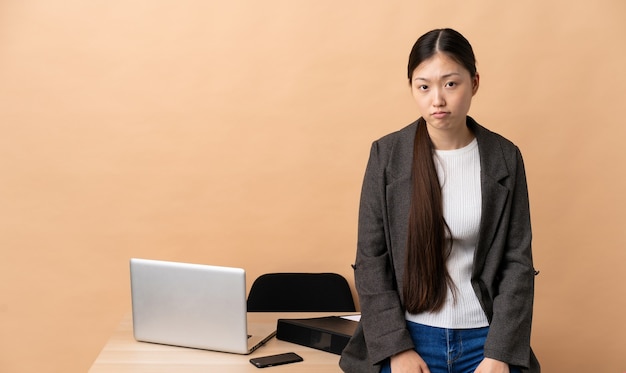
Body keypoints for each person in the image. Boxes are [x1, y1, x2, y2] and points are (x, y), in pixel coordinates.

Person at [339, 28, 540, 373]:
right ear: (412, 88)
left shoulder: (505, 157)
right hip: (407, 336)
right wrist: (396, 348)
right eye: (424, 86)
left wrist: (499, 353)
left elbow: (517, 262)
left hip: (486, 339)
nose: (437, 100)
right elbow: (371, 260)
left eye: (450, 83)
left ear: (474, 82)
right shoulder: (387, 155)